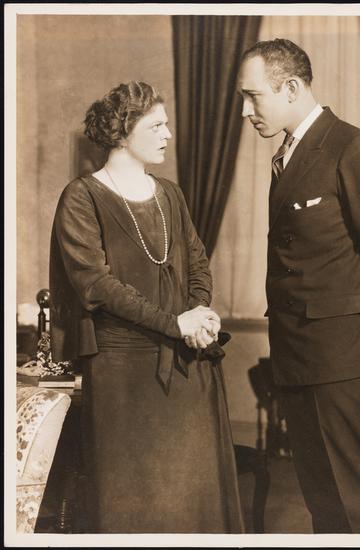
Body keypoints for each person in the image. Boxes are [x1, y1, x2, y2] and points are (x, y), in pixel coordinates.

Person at [49, 81, 244, 534]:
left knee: (195, 506)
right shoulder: (82, 197)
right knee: (132, 509)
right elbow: (96, 285)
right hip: (122, 374)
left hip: (188, 365)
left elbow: (198, 263)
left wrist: (199, 313)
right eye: (156, 126)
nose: (168, 134)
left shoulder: (170, 193)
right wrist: (176, 323)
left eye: (167, 125)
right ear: (122, 131)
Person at [237, 39, 360, 533]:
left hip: (342, 356)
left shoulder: (353, 151)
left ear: (291, 88)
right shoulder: (290, 154)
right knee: (324, 498)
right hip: (299, 354)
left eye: (253, 96)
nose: (246, 111)